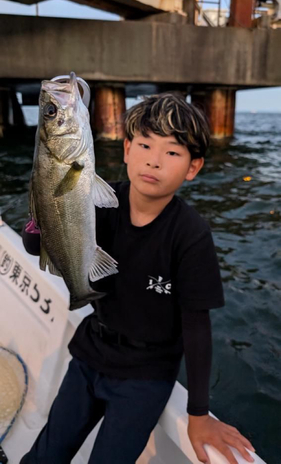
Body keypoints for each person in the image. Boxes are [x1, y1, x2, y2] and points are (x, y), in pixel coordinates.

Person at [20, 94, 256, 464]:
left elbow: (197, 327)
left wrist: (198, 415)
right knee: (45, 454)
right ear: (127, 149)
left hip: (145, 377)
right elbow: (34, 246)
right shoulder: (96, 199)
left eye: (172, 153)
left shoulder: (190, 235)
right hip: (89, 355)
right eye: (145, 144)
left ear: (193, 168)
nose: (154, 160)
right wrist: (45, 201)